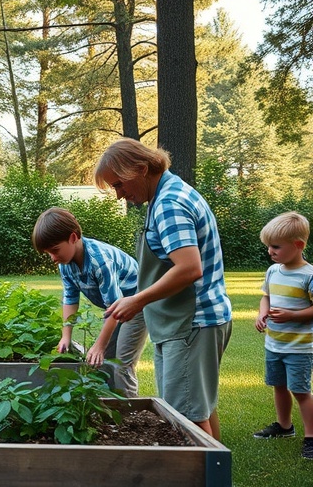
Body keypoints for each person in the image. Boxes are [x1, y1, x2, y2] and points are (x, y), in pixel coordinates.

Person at [94, 137, 232, 440]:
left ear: (141, 169)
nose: (119, 195)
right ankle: (216, 474)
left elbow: (189, 267)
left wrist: (138, 300)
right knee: (200, 409)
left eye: (118, 184)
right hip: (193, 322)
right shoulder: (168, 194)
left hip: (190, 324)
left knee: (186, 416)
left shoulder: (169, 204)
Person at [32, 207, 147, 397]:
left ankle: (128, 411)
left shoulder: (100, 261)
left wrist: (99, 345)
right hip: (115, 309)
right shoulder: (66, 264)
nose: (52, 258)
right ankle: (108, 406)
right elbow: (70, 298)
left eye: (54, 250)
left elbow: (114, 306)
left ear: (73, 237)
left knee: (122, 363)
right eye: (48, 253)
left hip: (136, 306)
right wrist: (66, 336)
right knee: (103, 361)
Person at [252, 211, 313, 459]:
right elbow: (266, 296)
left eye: (276, 247)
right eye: (268, 246)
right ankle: (285, 426)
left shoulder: (309, 275)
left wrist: (292, 315)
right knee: (278, 386)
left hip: (299, 348)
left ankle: (311, 436)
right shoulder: (273, 271)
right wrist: (261, 314)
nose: (270, 251)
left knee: (300, 391)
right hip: (274, 344)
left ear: (298, 246)